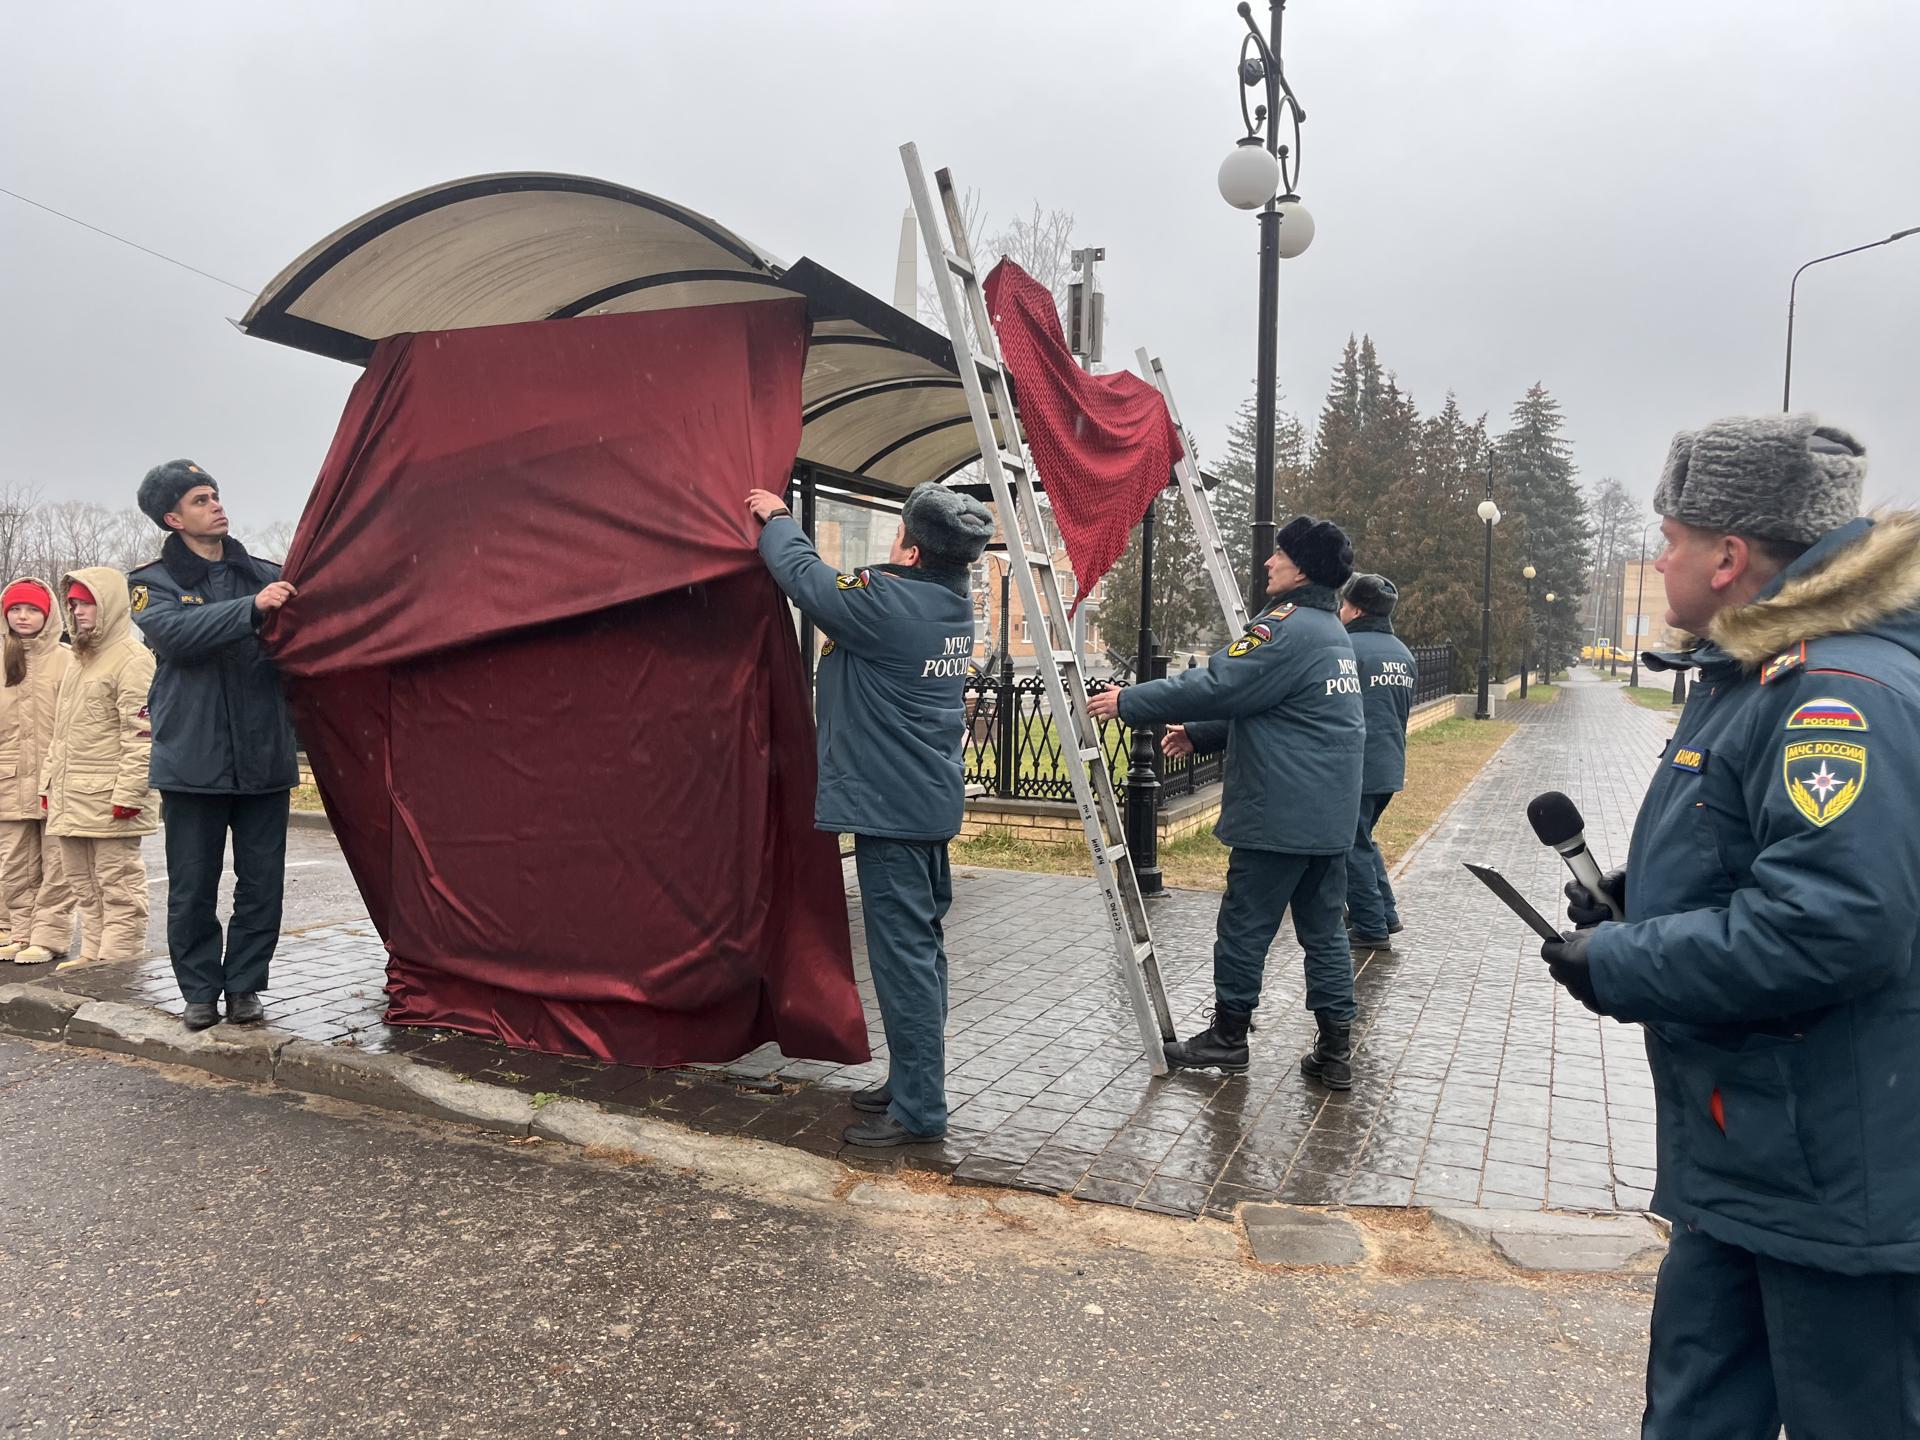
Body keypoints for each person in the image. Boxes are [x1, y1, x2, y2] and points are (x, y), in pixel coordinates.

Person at [1541, 415, 1920, 1436]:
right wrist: (1641, 894)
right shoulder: (1753, 671)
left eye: (1668, 540)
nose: (1659, 561)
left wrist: (1626, 961)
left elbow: (1834, 924)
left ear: (1729, 555)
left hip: (1835, 1177)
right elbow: (1753, 851)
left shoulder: (1834, 692)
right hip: (1752, 1155)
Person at [745, 481, 993, 1147]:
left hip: (893, 812)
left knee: (906, 962)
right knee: (923, 957)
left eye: (899, 535)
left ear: (911, 553)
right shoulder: (947, 601)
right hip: (922, 803)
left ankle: (919, 1112)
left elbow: (805, 578)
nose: (892, 544)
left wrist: (777, 519)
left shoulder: (889, 604)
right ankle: (912, 1082)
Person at [1090, 516, 1365, 1086]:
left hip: (1278, 814)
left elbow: (1222, 682)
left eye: (1279, 555)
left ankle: (1228, 1037)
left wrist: (1130, 701)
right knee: (1325, 931)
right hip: (1329, 814)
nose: (1269, 563)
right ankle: (1336, 1050)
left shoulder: (1283, 627)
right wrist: (1202, 733)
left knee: (1244, 925)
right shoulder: (1330, 630)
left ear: (1302, 569)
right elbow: (1279, 703)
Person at [128, 460, 300, 1032]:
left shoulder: (266, 573)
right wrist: (252, 609)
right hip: (192, 762)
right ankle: (200, 990)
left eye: (216, 495)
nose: (216, 505)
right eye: (201, 500)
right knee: (194, 886)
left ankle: (246, 986)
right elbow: (177, 637)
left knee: (261, 885)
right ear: (173, 518)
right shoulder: (152, 583)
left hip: (264, 759)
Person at [40, 571, 158, 971]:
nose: (76, 611)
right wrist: (48, 783)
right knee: (83, 884)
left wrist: (129, 794)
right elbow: (61, 734)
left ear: (107, 605)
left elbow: (142, 735)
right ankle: (93, 954)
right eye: (72, 604)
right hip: (71, 797)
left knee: (117, 884)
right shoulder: (78, 658)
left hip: (109, 799)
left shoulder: (132, 659)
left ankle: (117, 963)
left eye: (85, 603)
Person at [0, 578, 76, 965]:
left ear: (47, 614)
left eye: (31, 609)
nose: (23, 616)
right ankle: (19, 932)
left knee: (57, 863)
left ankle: (49, 936)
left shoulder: (68, 659)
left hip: (56, 778)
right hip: (8, 780)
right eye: (15, 609)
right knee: (13, 863)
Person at [1339, 573, 1415, 951]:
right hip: (1389, 764)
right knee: (1363, 838)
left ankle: (1370, 926)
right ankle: (1385, 913)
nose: (1339, 611)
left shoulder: (1348, 649)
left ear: (1356, 609)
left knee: (1350, 844)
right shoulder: (1402, 653)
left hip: (1357, 765)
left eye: (1343, 605)